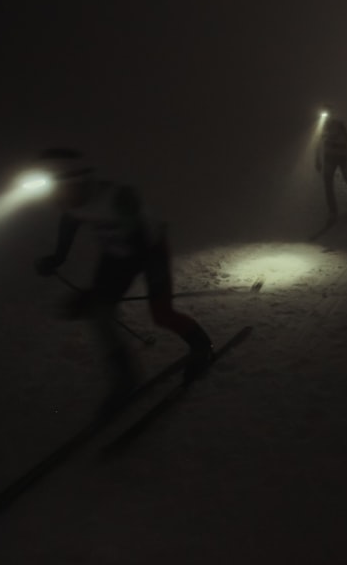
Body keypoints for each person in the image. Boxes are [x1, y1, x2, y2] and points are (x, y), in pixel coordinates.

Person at [33, 148, 214, 414]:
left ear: (76, 181)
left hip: (149, 250)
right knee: (100, 314)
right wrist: (58, 258)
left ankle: (201, 347)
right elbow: (70, 222)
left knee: (162, 314)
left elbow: (139, 244)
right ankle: (125, 378)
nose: (58, 198)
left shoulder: (118, 197)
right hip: (117, 254)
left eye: (59, 189)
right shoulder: (72, 201)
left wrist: (96, 291)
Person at [315, 105, 347, 223]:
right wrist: (317, 159)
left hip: (343, 157)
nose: (325, 116)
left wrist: (332, 141)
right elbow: (317, 143)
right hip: (329, 158)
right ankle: (332, 211)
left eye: (328, 113)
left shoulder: (340, 125)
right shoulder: (321, 127)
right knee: (328, 184)